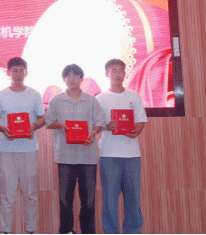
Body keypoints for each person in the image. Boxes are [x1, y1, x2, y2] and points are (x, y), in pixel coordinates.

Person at [46, 64, 105, 234]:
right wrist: (60, 125)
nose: (72, 78)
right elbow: (49, 122)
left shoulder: (91, 100)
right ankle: (66, 231)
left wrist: (93, 133)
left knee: (89, 201)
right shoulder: (56, 100)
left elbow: (99, 122)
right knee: (65, 201)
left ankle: (88, 231)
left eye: (75, 75)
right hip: (65, 157)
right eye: (68, 75)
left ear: (81, 79)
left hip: (88, 157)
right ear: (64, 79)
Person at [0, 57, 45, 235]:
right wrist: (3, 129)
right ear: (8, 73)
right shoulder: (0, 95)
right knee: (7, 195)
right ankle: (6, 231)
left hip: (29, 150)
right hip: (7, 151)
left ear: (26, 73)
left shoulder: (34, 94)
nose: (18, 74)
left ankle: (31, 231)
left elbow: (42, 118)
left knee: (30, 195)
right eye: (14, 70)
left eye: (21, 70)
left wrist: (34, 126)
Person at [96, 59, 148, 234]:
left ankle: (133, 231)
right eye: (114, 71)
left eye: (121, 70)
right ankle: (111, 231)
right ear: (107, 74)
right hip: (108, 155)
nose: (118, 74)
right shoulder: (99, 99)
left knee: (133, 199)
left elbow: (140, 121)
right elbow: (94, 125)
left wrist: (136, 132)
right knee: (110, 200)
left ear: (125, 73)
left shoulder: (134, 96)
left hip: (132, 155)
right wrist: (106, 126)